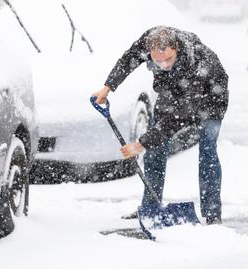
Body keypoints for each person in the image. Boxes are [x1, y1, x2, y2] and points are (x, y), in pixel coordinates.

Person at [92, 26, 228, 224]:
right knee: (155, 148)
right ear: (149, 52)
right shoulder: (149, 40)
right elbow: (128, 60)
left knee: (207, 150)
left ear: (176, 49)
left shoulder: (195, 63)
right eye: (157, 60)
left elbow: (175, 119)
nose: (163, 65)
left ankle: (212, 213)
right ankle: (151, 206)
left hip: (211, 97)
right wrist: (108, 87)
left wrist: (140, 144)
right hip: (173, 90)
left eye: (168, 59)